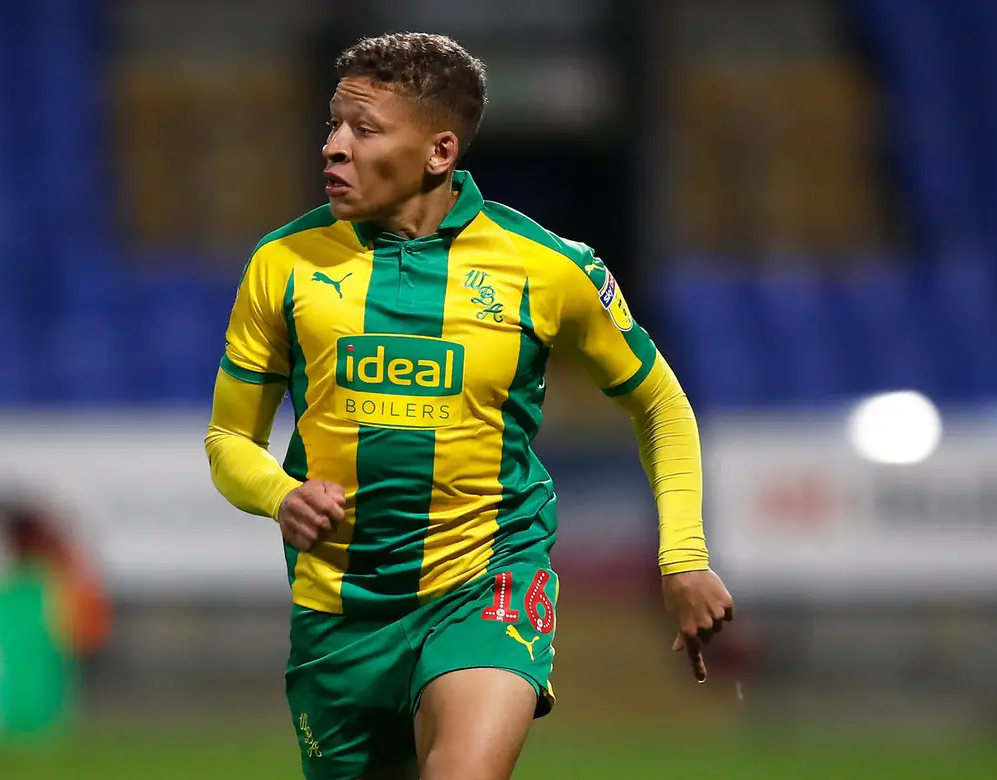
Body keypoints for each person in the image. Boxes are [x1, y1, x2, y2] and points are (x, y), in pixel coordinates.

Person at [205, 32, 734, 780]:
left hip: (485, 582)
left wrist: (682, 557)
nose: (333, 147)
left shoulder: (548, 267)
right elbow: (229, 439)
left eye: (364, 129)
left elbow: (661, 406)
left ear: (440, 152)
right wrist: (279, 495)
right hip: (340, 612)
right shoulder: (282, 264)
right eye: (333, 124)